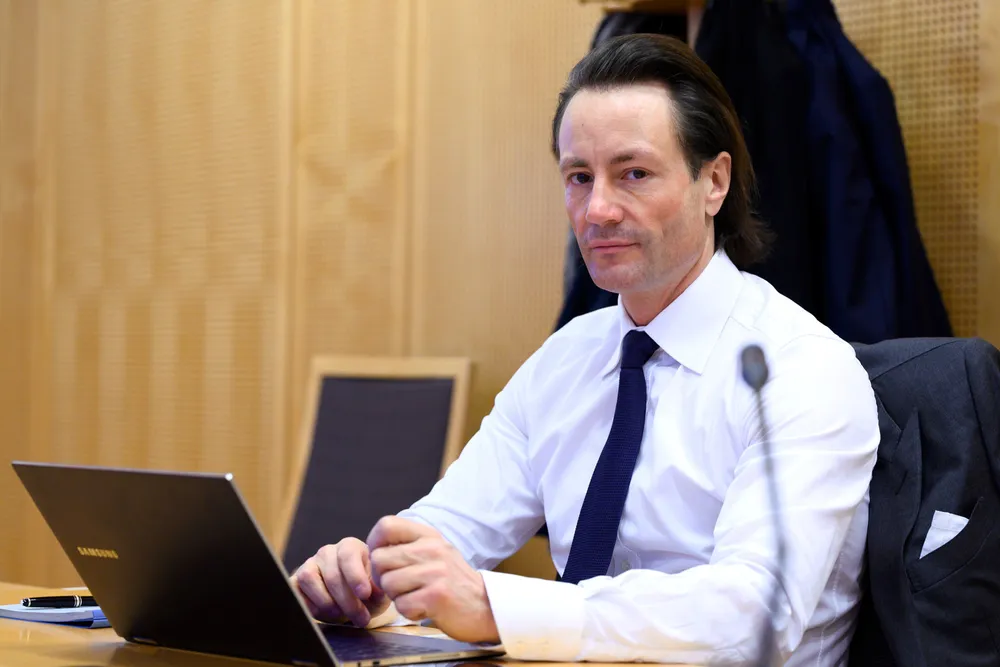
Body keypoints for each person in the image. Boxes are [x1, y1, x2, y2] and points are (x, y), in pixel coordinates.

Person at [292, 34, 879, 666]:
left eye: (634, 174)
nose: (597, 210)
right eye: (579, 177)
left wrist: (496, 607)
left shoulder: (801, 368)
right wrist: (368, 580)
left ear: (714, 181)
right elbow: (450, 531)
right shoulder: (565, 361)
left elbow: (756, 615)